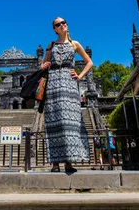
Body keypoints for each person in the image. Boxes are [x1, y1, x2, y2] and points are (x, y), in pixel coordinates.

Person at [40, 17, 93, 173]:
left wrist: (80, 76)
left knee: (71, 122)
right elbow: (43, 65)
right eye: (58, 24)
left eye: (63, 22)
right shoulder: (50, 45)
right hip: (53, 84)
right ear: (55, 29)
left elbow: (89, 62)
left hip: (70, 85)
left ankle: (69, 161)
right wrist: (44, 65)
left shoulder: (74, 44)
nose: (62, 25)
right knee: (54, 121)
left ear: (67, 25)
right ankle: (55, 163)